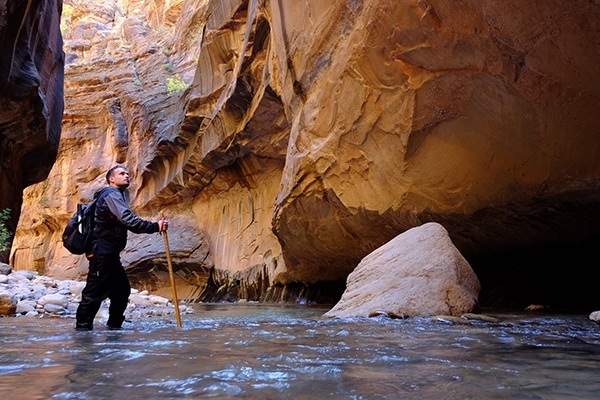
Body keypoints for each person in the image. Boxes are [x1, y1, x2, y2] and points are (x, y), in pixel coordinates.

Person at [75, 165, 168, 331]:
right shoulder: (111, 195)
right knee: (93, 293)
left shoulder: (115, 196)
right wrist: (155, 226)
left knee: (121, 291)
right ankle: (82, 333)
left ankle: (114, 329)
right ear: (112, 179)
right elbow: (129, 220)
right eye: (122, 173)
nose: (127, 176)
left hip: (109, 254)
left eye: (127, 173)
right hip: (101, 253)